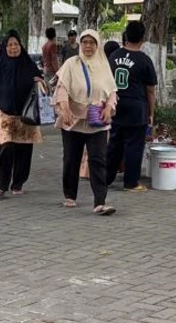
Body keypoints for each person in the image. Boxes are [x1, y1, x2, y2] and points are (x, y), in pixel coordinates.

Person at [54, 29, 118, 215]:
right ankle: (70, 195)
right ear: (80, 45)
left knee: (98, 160)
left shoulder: (104, 65)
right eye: (85, 42)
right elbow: (62, 88)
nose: (88, 46)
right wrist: (64, 108)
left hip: (97, 120)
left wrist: (108, 108)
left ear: (97, 45)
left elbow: (112, 91)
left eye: (92, 42)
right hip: (73, 120)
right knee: (71, 159)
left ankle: (100, 202)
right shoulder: (71, 64)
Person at [0, 30, 44, 199]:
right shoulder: (0, 67)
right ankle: (1, 186)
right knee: (6, 148)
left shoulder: (29, 64)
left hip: (26, 115)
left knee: (24, 151)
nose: (13, 48)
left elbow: (41, 86)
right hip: (5, 114)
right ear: (5, 47)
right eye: (9, 45)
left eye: (16, 44)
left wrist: (40, 82)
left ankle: (18, 183)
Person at [106, 21, 157, 192]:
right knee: (134, 146)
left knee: (115, 143)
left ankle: (105, 178)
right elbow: (150, 91)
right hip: (137, 107)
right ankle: (131, 183)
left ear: (126, 36)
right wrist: (151, 113)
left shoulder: (113, 56)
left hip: (116, 104)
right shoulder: (144, 60)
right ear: (143, 38)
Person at [80, 39, 122, 180]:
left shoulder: (102, 64)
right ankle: (95, 171)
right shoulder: (105, 66)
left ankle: (86, 171)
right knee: (101, 145)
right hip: (103, 109)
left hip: (95, 108)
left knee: (89, 146)